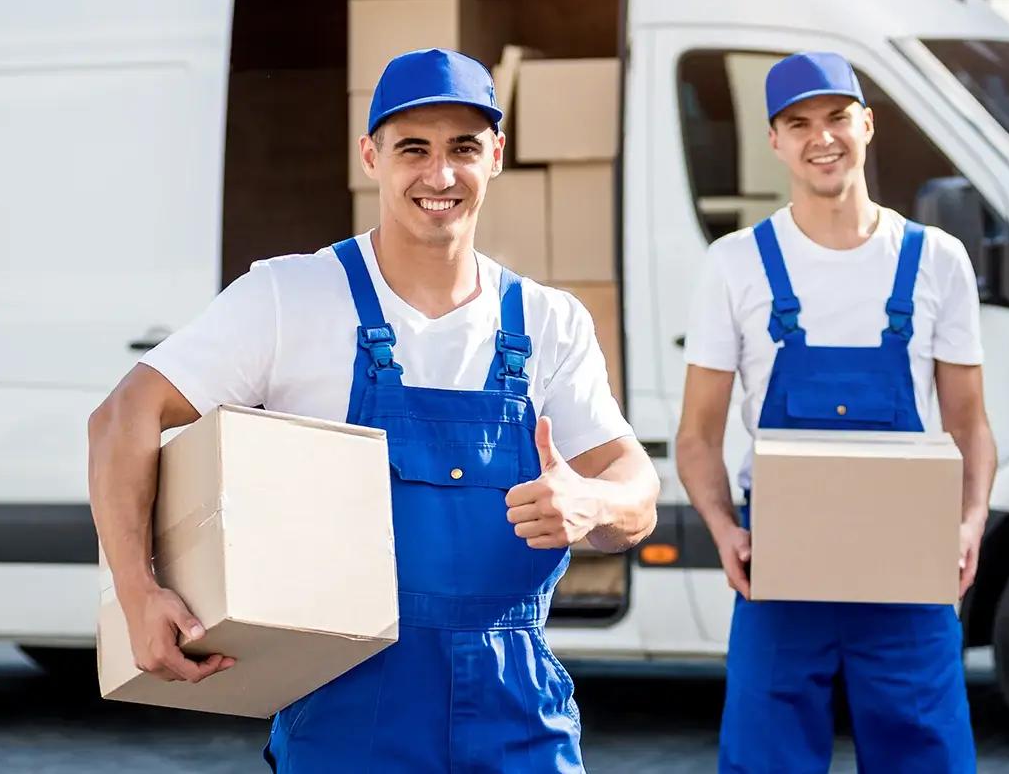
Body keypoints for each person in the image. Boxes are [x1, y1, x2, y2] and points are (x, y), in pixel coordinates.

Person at [88, 48, 659, 773]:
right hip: (345, 705)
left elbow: (636, 489)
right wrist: (137, 593)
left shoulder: (549, 321)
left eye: (464, 148)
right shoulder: (289, 298)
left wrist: (592, 502)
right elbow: (123, 417)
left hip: (516, 708)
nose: (440, 175)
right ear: (371, 156)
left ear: (496, 156)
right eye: (413, 148)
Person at [674, 52, 996, 772]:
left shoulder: (937, 260)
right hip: (778, 567)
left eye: (837, 118)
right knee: (766, 760)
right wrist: (725, 532)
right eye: (799, 123)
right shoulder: (735, 264)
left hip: (910, 563)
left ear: (867, 124)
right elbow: (696, 436)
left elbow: (969, 423)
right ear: (775, 140)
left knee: (928, 759)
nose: (822, 138)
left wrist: (969, 523)